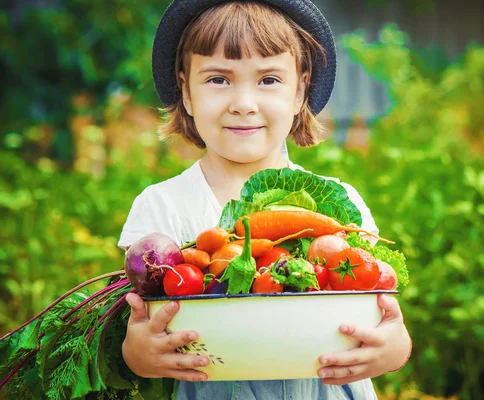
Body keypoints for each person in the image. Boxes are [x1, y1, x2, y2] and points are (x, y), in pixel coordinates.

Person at [118, 1, 412, 398]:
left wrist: (395, 348)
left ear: (299, 91)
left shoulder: (341, 204)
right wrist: (139, 354)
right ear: (186, 91)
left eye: (269, 80)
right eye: (218, 80)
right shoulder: (162, 206)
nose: (243, 102)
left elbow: (383, 314)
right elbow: (135, 327)